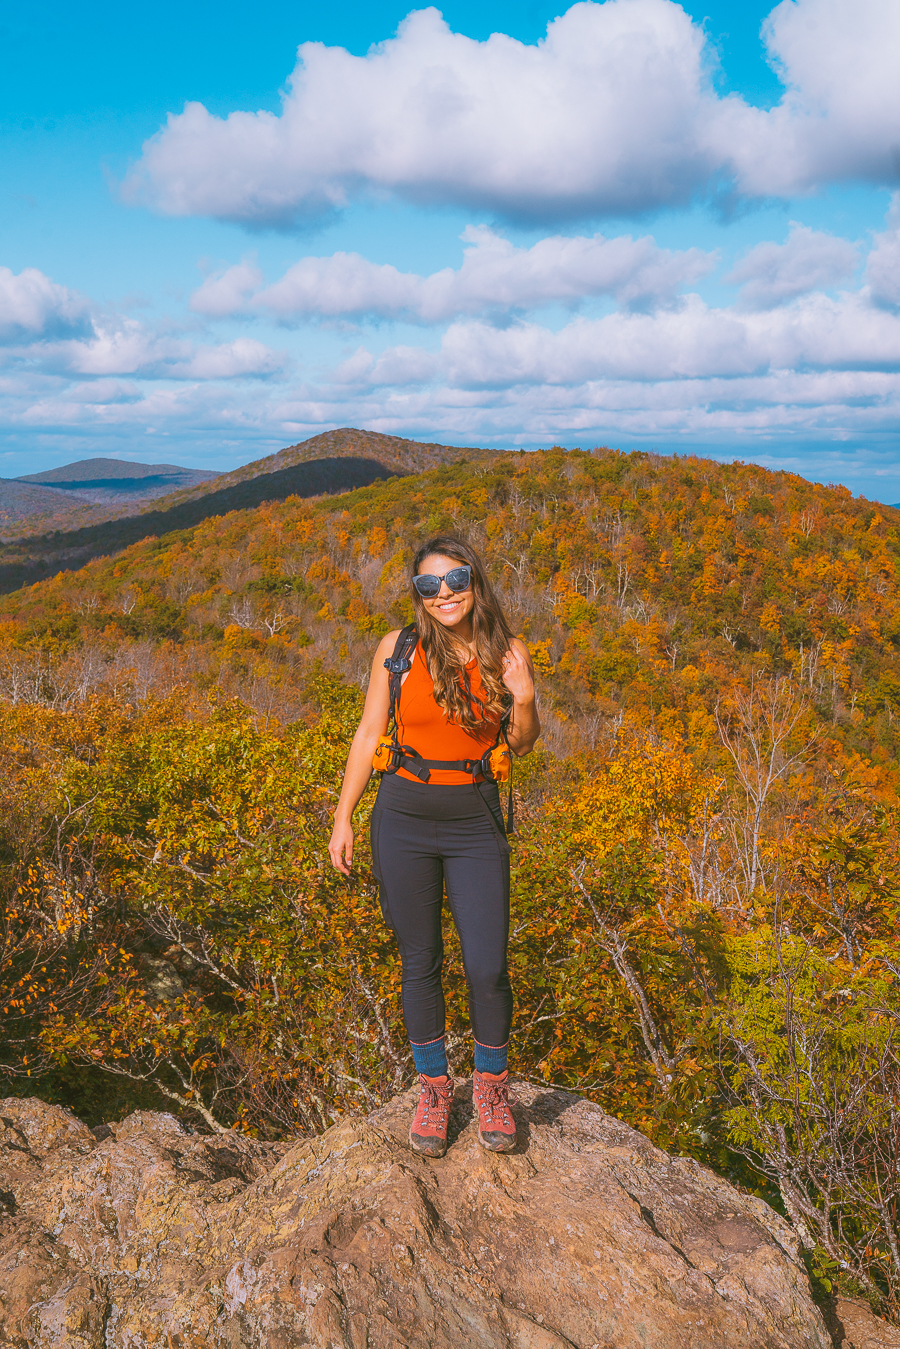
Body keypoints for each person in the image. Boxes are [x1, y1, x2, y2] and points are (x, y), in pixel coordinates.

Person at [328, 535, 540, 1157]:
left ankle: (493, 1088)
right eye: (429, 585)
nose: (443, 593)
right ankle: (433, 1089)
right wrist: (343, 817)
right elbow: (370, 733)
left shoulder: (507, 652)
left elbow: (522, 743)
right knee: (419, 959)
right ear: (418, 595)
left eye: (455, 579)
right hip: (402, 816)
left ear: (476, 581)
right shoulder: (396, 650)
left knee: (487, 965)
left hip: (475, 819)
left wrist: (524, 698)